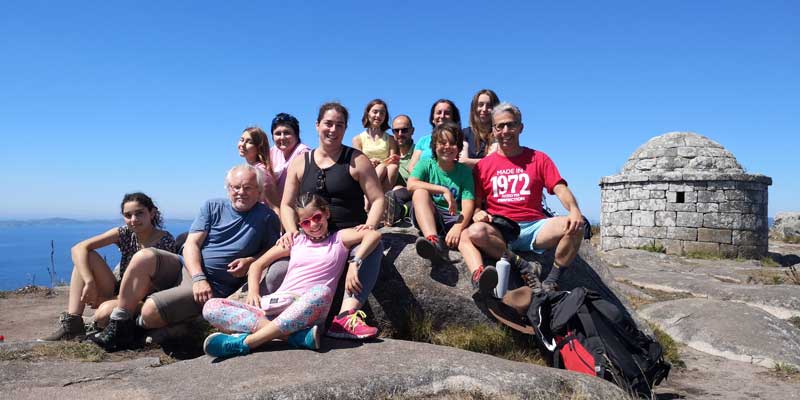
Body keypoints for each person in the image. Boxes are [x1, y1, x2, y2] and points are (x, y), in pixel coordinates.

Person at [90, 165, 280, 351]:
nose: (241, 192)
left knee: (149, 313)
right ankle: (120, 324)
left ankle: (139, 319)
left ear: (259, 190)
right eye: (236, 187)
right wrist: (199, 278)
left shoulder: (267, 218)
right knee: (143, 256)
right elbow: (191, 244)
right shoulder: (213, 206)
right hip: (185, 268)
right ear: (228, 188)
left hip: (213, 287)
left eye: (248, 187)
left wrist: (251, 260)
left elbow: (271, 251)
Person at [201, 193, 382, 358]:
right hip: (274, 307)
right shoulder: (295, 241)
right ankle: (294, 337)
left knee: (322, 291)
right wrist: (253, 292)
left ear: (326, 213)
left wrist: (354, 262)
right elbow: (257, 265)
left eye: (317, 217)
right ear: (299, 225)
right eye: (306, 222)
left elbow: (373, 235)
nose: (313, 225)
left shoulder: (339, 239)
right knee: (211, 306)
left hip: (309, 308)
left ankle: (247, 343)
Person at [274, 101, 385, 339]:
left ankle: (345, 317)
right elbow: (286, 204)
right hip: (310, 237)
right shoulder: (301, 162)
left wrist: (370, 225)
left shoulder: (356, 160)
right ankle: (279, 317)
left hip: (347, 235)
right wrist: (291, 231)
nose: (333, 130)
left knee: (372, 248)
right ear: (317, 125)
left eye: (339, 125)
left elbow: (377, 199)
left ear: (345, 129)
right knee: (276, 272)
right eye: (328, 124)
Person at [460, 102, 584, 292]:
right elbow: (476, 204)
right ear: (493, 130)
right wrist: (477, 213)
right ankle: (521, 264)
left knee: (576, 226)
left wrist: (574, 210)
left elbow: (559, 188)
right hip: (501, 230)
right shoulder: (483, 166)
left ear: (520, 127)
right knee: (475, 232)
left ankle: (551, 281)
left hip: (536, 228)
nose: (505, 131)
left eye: (511, 125)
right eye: (500, 126)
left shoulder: (539, 158)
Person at [42, 193, 176, 341]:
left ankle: (118, 327)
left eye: (139, 213)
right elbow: (78, 248)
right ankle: (73, 325)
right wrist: (90, 282)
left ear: (152, 213)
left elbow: (151, 286)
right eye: (128, 215)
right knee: (87, 257)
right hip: (121, 290)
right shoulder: (125, 233)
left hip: (145, 299)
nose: (133, 219)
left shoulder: (165, 241)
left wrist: (107, 300)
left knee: (103, 313)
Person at [407, 122, 475, 262]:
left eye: (452, 143)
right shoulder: (426, 164)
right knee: (420, 192)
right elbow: (411, 184)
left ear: (459, 147)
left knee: (466, 237)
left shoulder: (464, 172)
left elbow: (468, 205)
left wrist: (458, 227)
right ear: (434, 146)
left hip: (453, 219)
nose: (447, 147)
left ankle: (478, 271)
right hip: (430, 215)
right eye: (442, 143)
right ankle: (433, 241)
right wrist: (443, 190)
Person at [352, 99, 400, 191]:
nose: (378, 115)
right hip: (366, 172)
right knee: (381, 168)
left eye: (382, 113)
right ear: (368, 114)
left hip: (385, 171)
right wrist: (369, 161)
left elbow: (392, 160)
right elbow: (358, 163)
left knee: (391, 167)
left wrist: (381, 164)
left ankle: (381, 196)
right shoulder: (357, 139)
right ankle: (371, 195)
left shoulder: (391, 139)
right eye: (375, 112)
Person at [406, 99, 461, 174]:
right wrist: (423, 179)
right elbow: (411, 166)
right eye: (439, 112)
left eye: (447, 113)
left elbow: (463, 162)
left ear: (453, 118)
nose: (442, 116)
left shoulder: (459, 139)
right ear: (432, 118)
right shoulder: (423, 140)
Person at [380, 114, 416, 226]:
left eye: (404, 130)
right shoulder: (388, 152)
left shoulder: (419, 152)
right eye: (396, 131)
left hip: (412, 191)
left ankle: (390, 210)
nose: (400, 134)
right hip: (393, 194)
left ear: (412, 131)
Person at [238, 126, 281, 216]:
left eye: (249, 142)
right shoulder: (251, 169)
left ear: (258, 148)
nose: (242, 144)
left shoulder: (261, 172)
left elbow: (275, 207)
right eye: (242, 140)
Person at [269, 112, 310, 200]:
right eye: (278, 133)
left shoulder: (303, 153)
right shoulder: (273, 151)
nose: (282, 137)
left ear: (296, 135)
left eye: (287, 133)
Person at [460, 89, 500, 168]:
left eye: (489, 105)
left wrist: (470, 161)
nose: (484, 109)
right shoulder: (465, 133)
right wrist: (485, 161)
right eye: (480, 105)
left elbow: (492, 162)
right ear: (474, 108)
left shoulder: (499, 133)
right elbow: (462, 161)